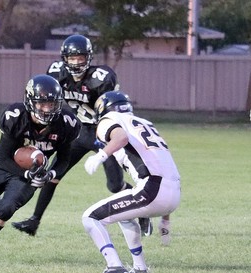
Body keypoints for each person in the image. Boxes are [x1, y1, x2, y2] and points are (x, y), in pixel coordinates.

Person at [12, 34, 153, 237]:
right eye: (72, 58)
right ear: (64, 58)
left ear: (88, 57)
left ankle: (142, 211)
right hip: (78, 132)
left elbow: (112, 110)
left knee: (114, 186)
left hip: (102, 132)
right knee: (53, 175)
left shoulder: (101, 79)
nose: (76, 62)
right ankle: (34, 221)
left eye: (80, 57)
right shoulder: (56, 74)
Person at [0, 74, 81, 266]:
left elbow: (64, 159)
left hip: (30, 174)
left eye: (51, 104)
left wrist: (50, 174)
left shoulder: (65, 123)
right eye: (42, 104)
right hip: (1, 166)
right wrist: (25, 173)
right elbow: (2, 157)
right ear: (31, 101)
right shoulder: (15, 117)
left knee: (6, 210)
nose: (47, 109)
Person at [82, 91, 181, 273]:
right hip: (173, 192)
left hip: (152, 189)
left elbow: (120, 139)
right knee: (125, 217)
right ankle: (140, 270)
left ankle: (114, 268)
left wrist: (100, 156)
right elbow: (166, 167)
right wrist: (166, 220)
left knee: (90, 217)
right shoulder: (146, 124)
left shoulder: (109, 119)